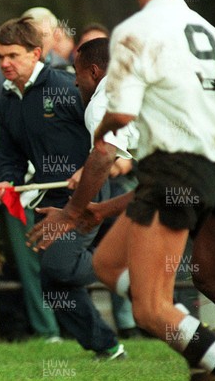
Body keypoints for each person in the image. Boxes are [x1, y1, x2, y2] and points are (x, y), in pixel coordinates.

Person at [30, 0, 215, 381]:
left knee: (150, 308)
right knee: (124, 267)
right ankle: (200, 347)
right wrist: (97, 210)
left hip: (186, 166)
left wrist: (71, 212)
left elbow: (110, 142)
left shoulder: (133, 32)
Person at [0, 16, 122, 359]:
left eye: (13, 55)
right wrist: (8, 180)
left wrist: (85, 168)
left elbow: (106, 138)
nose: (5, 62)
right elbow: (10, 155)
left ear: (36, 54)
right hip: (48, 200)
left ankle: (123, 263)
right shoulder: (6, 102)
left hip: (85, 196)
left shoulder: (68, 88)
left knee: (58, 268)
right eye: (1, 55)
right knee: (53, 283)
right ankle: (107, 347)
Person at [30, 37, 140, 338]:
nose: (75, 84)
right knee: (210, 275)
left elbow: (104, 155)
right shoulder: (138, 85)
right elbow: (158, 185)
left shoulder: (102, 101)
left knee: (152, 291)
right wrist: (100, 210)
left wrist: (71, 213)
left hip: (211, 171)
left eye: (77, 75)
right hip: (210, 166)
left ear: (92, 71)